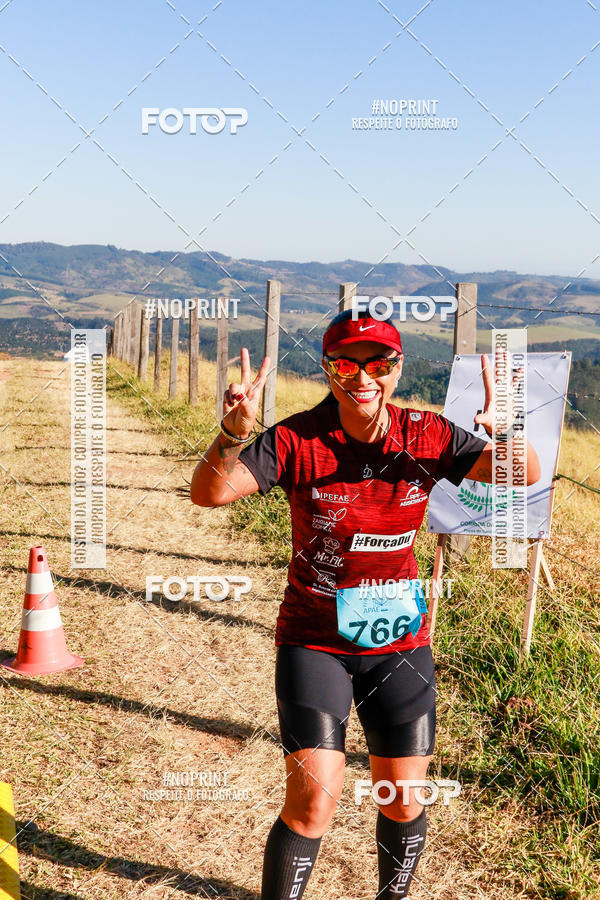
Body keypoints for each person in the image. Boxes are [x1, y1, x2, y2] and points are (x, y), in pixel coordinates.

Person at [190, 308, 541, 899]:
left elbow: (522, 474)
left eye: (379, 364)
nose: (363, 377)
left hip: (399, 641)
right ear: (327, 369)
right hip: (315, 640)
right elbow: (209, 493)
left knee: (402, 798)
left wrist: (504, 428)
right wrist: (232, 433)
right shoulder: (296, 438)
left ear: (397, 368)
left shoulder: (427, 435)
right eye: (346, 364)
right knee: (313, 800)